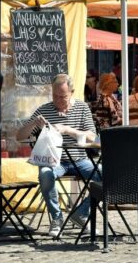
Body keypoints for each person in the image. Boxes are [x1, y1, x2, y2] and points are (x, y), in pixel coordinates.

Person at [17, 74, 99, 237]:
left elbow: (93, 137)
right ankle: (57, 218)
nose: (58, 100)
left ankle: (81, 213)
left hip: (80, 160)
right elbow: (19, 136)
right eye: (55, 96)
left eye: (63, 96)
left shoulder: (82, 108)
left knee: (107, 175)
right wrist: (34, 123)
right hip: (54, 161)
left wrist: (68, 130)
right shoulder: (45, 110)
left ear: (72, 92)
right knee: (45, 174)